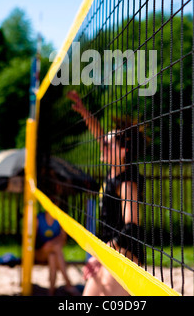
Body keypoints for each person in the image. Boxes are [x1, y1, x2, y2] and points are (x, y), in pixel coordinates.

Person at [67, 90, 144, 297]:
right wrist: (85, 112)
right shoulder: (114, 172)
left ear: (123, 151)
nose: (102, 145)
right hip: (110, 256)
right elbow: (99, 133)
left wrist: (100, 255)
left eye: (107, 144)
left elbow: (130, 228)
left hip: (124, 257)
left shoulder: (127, 182)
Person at [34, 209, 79, 296]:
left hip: (52, 252)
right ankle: (68, 283)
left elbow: (63, 240)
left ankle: (51, 291)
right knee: (56, 248)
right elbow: (33, 241)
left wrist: (51, 243)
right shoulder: (39, 219)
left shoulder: (60, 218)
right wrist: (49, 244)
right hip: (39, 252)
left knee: (53, 256)